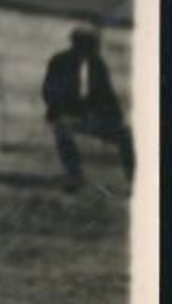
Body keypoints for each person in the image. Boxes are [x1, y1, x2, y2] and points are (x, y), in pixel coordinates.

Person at [41, 25, 134, 192]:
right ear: (76, 43)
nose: (94, 47)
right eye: (89, 43)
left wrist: (116, 119)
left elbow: (107, 94)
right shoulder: (60, 61)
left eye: (94, 44)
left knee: (126, 135)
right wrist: (61, 113)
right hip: (68, 115)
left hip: (95, 117)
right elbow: (49, 90)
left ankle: (134, 179)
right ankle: (74, 175)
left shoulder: (98, 64)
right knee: (62, 129)